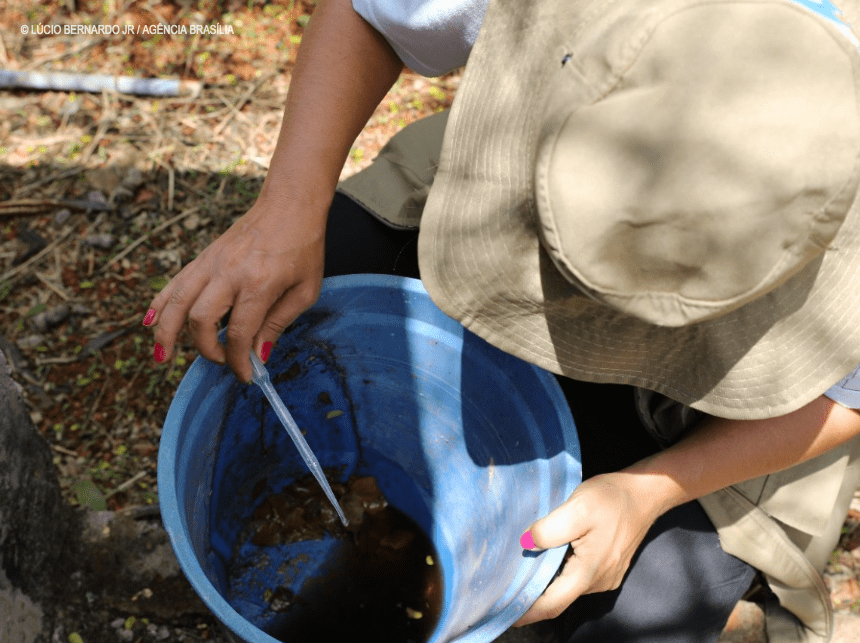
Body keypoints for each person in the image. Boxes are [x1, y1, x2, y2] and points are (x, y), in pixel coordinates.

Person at [144, 0, 860, 641]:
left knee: (640, 615)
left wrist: (650, 490)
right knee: (329, 280)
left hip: (720, 396)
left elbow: (847, 394)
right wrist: (285, 210)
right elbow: (369, 12)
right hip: (533, 201)